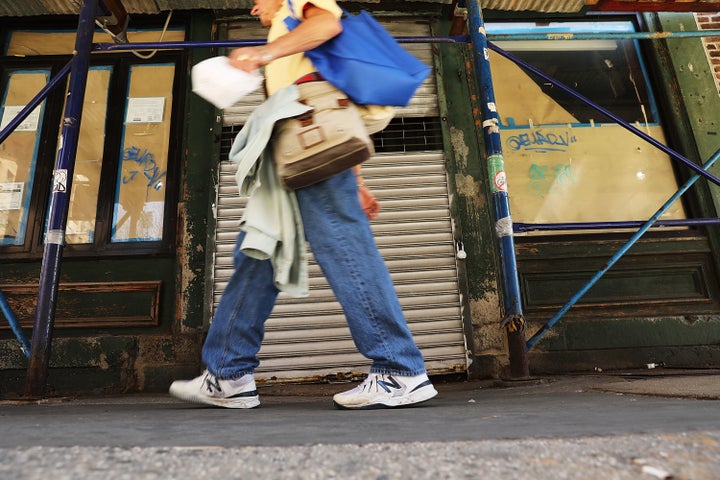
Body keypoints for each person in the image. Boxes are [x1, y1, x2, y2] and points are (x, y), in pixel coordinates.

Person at [169, 0, 437, 410]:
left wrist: (261, 55)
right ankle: (228, 373)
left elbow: (328, 26)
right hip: (293, 148)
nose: (253, 6)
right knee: (258, 251)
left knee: (344, 246)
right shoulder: (283, 29)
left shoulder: (297, 8)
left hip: (305, 143)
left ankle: (400, 370)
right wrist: (357, 179)